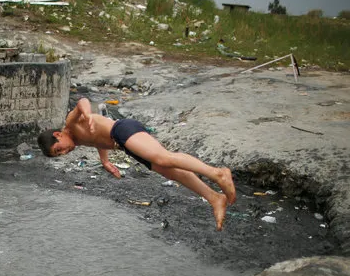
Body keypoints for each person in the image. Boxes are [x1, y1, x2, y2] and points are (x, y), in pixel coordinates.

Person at [37, 98, 236, 231]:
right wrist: (104, 161)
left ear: (58, 135)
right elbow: (97, 140)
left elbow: (82, 102)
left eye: (59, 149)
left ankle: (217, 173)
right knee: (171, 172)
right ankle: (214, 198)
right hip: (124, 144)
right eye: (60, 155)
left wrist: (88, 115)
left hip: (123, 130)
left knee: (163, 157)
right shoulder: (78, 139)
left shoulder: (71, 124)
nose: (64, 152)